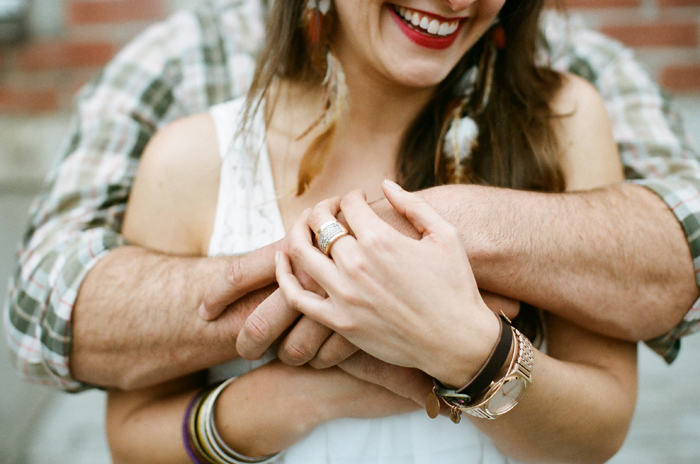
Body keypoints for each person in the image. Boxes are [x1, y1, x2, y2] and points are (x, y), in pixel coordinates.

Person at [3, 0, 697, 394]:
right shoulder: (185, 57)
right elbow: (47, 304)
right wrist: (348, 287)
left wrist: (453, 231)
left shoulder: (566, 71)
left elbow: (681, 250)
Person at [105, 1, 636, 463]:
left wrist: (466, 352)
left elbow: (600, 432)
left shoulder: (561, 123)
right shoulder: (192, 160)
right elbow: (131, 440)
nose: (457, 1)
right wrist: (302, 398)